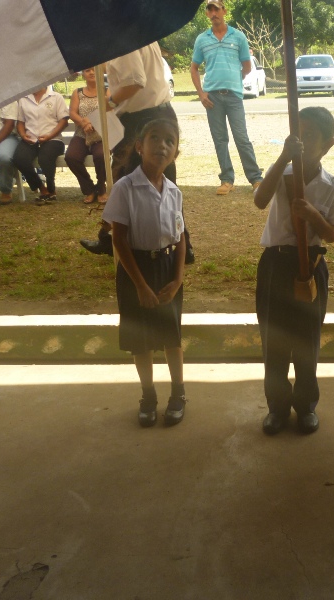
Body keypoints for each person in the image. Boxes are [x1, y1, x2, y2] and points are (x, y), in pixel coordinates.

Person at [254, 107, 334, 435]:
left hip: (311, 269)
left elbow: (332, 234)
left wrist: (313, 216)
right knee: (275, 341)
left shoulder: (332, 186)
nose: (302, 142)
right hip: (276, 265)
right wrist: (283, 158)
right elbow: (260, 200)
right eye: (298, 134)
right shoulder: (282, 172)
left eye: (311, 136)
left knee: (307, 341)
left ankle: (306, 406)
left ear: (328, 144)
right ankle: (277, 408)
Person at [101, 118, 188, 428]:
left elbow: (181, 238)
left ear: (176, 153)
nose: (162, 145)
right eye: (155, 138)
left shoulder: (174, 192)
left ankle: (178, 393)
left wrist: (177, 279)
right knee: (141, 340)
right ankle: (148, 395)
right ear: (139, 146)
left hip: (167, 269)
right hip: (135, 270)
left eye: (169, 141)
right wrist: (139, 285)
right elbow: (119, 239)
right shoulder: (125, 188)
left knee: (171, 337)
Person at [80, 43, 193, 263]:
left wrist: (109, 102)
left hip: (142, 118)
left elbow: (134, 82)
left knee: (127, 179)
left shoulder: (125, 40)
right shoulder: (139, 34)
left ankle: (111, 238)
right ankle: (183, 246)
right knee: (162, 183)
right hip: (156, 113)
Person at [190, 0, 263, 196]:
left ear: (224, 11)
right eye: (210, 10)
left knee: (242, 138)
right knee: (220, 139)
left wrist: (235, 79)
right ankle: (227, 179)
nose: (214, 13)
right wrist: (201, 93)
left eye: (217, 9)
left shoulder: (238, 36)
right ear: (207, 14)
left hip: (234, 96)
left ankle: (256, 178)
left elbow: (246, 66)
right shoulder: (202, 39)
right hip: (212, 97)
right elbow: (194, 68)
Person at [13, 86, 69, 205]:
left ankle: (51, 188)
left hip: (53, 139)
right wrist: (23, 135)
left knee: (45, 157)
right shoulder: (23, 99)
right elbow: (20, 122)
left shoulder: (56, 97)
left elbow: (63, 121)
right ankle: (41, 188)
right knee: (19, 158)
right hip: (30, 139)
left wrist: (49, 136)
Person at [65, 67, 108, 204]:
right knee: (71, 157)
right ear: (83, 74)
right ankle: (89, 189)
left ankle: (101, 188)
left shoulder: (107, 91)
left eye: (94, 70)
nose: (91, 72)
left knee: (101, 156)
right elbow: (72, 113)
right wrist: (84, 123)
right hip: (81, 134)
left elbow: (109, 110)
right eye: (88, 70)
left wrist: (91, 122)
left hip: (101, 135)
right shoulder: (77, 92)